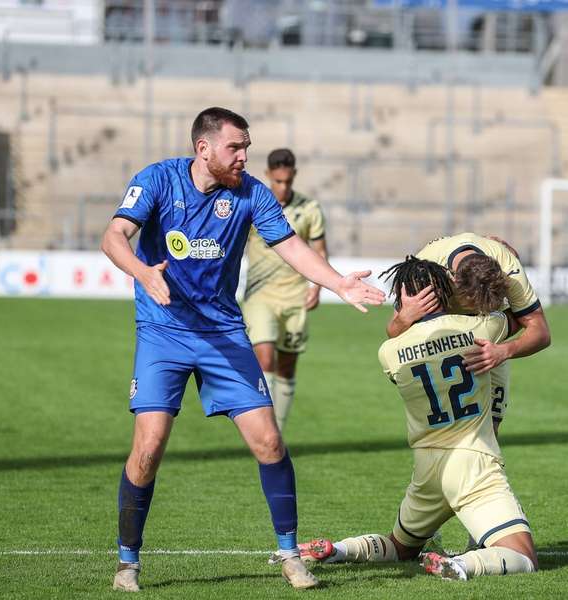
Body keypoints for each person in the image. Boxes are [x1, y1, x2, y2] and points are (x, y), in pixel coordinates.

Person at [101, 107, 385, 592]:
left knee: (270, 443)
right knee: (147, 449)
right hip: (162, 333)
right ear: (203, 148)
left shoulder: (251, 193)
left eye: (246, 146)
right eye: (235, 147)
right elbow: (114, 236)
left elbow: (292, 247)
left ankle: (291, 555)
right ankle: (128, 562)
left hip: (224, 335)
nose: (244, 156)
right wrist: (143, 272)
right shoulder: (157, 180)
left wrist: (338, 283)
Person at [297, 257, 539, 581]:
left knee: (401, 547)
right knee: (523, 555)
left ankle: (340, 549)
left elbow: (399, 337)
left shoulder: (390, 352)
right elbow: (521, 319)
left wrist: (403, 318)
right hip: (472, 461)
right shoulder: (483, 328)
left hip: (428, 468)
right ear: (444, 291)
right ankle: (464, 564)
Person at [387, 233, 551, 435]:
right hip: (444, 342)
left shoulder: (508, 265)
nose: (482, 310)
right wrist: (404, 318)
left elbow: (540, 330)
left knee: (490, 429)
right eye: (475, 304)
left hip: (490, 345)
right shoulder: (425, 269)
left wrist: (504, 350)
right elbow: (393, 332)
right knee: (448, 429)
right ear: (453, 282)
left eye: (488, 305)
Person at [242, 148, 327, 432]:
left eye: (288, 181)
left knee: (286, 367)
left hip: (295, 297)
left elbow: (319, 252)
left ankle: (277, 430)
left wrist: (317, 286)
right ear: (268, 176)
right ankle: (264, 430)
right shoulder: (253, 203)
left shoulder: (309, 209)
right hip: (259, 295)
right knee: (264, 358)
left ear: (294, 176)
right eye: (278, 181)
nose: (283, 187)